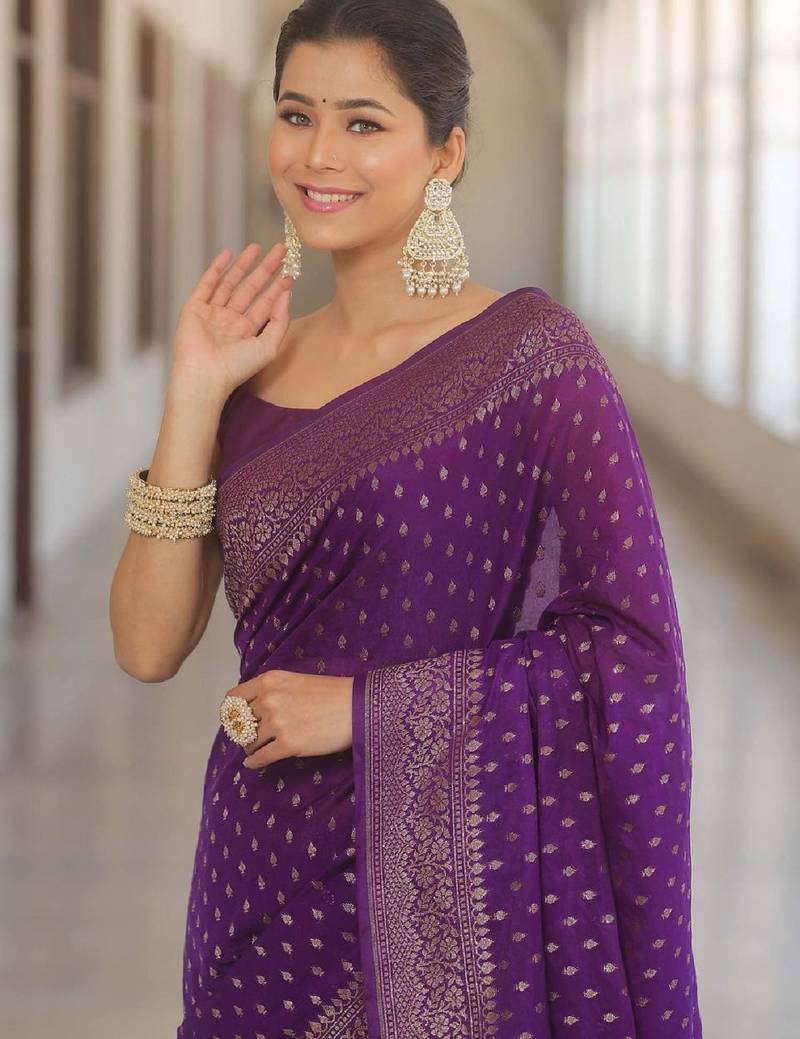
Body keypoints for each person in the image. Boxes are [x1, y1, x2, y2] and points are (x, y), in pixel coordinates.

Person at [109, 1, 703, 1036]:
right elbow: (148, 645)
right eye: (296, 114)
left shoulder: (534, 362)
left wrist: (367, 710)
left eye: (363, 122)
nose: (317, 154)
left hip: (457, 884)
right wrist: (194, 391)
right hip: (261, 865)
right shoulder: (250, 371)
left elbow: (632, 656)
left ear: (445, 152)